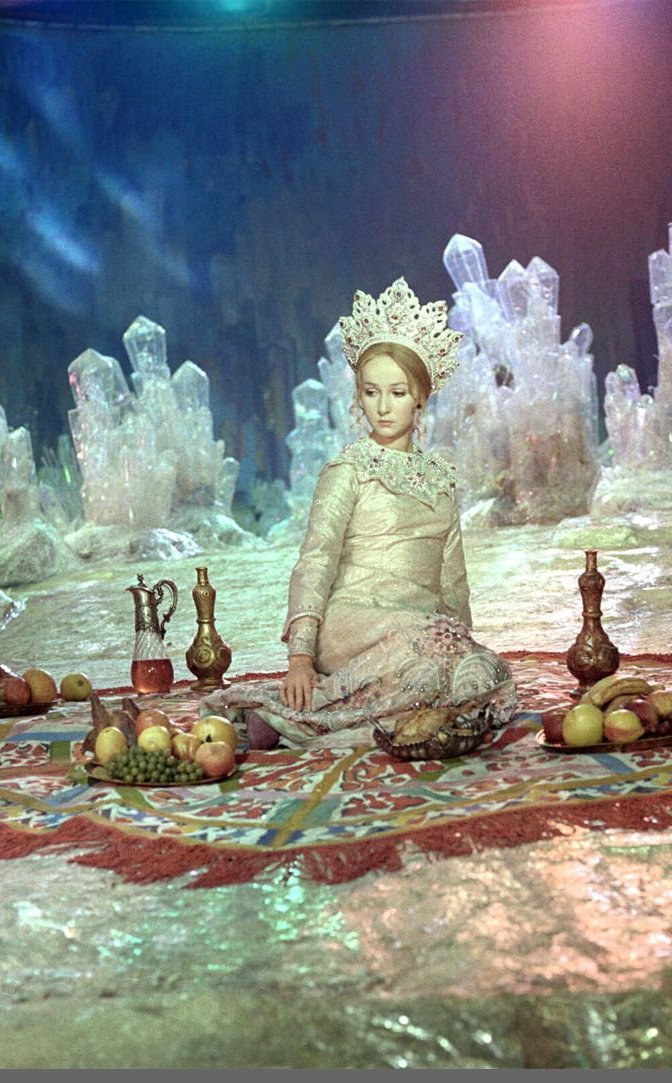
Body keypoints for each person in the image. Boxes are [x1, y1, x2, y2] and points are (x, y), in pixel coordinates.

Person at [200, 277, 518, 748]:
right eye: (371, 392)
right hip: (351, 623)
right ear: (359, 396)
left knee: (483, 673)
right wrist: (300, 658)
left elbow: (453, 582)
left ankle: (394, 702)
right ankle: (296, 712)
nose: (383, 407)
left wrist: (461, 644)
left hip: (422, 630)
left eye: (397, 392)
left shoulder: (441, 480)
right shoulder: (347, 471)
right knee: (428, 658)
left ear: (420, 397)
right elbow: (315, 562)